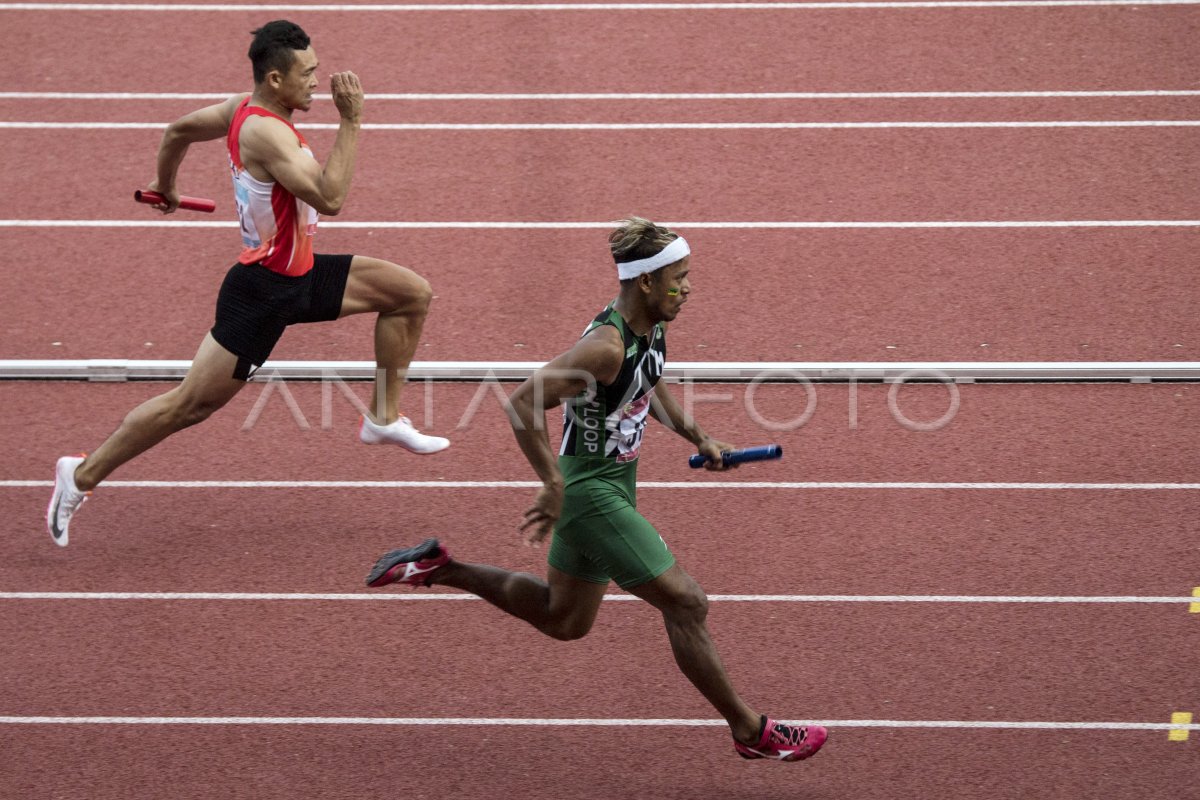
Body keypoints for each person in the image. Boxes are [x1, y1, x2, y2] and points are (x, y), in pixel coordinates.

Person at [365, 218, 827, 761]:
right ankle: (751, 732)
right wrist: (553, 486)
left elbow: (644, 384)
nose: (689, 288)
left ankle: (439, 567)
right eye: (680, 278)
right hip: (588, 493)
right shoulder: (604, 346)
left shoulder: (650, 323)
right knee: (685, 601)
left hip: (614, 485)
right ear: (647, 282)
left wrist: (698, 434)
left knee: (565, 619)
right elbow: (521, 403)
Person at [47, 20, 449, 547]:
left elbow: (176, 132)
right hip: (261, 292)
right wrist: (352, 122)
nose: (317, 83)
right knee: (188, 406)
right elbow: (330, 198)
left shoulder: (242, 107)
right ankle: (78, 476)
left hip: (299, 272)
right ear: (276, 79)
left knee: (409, 294)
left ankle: (383, 417)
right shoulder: (265, 132)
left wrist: (165, 184)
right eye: (307, 74)